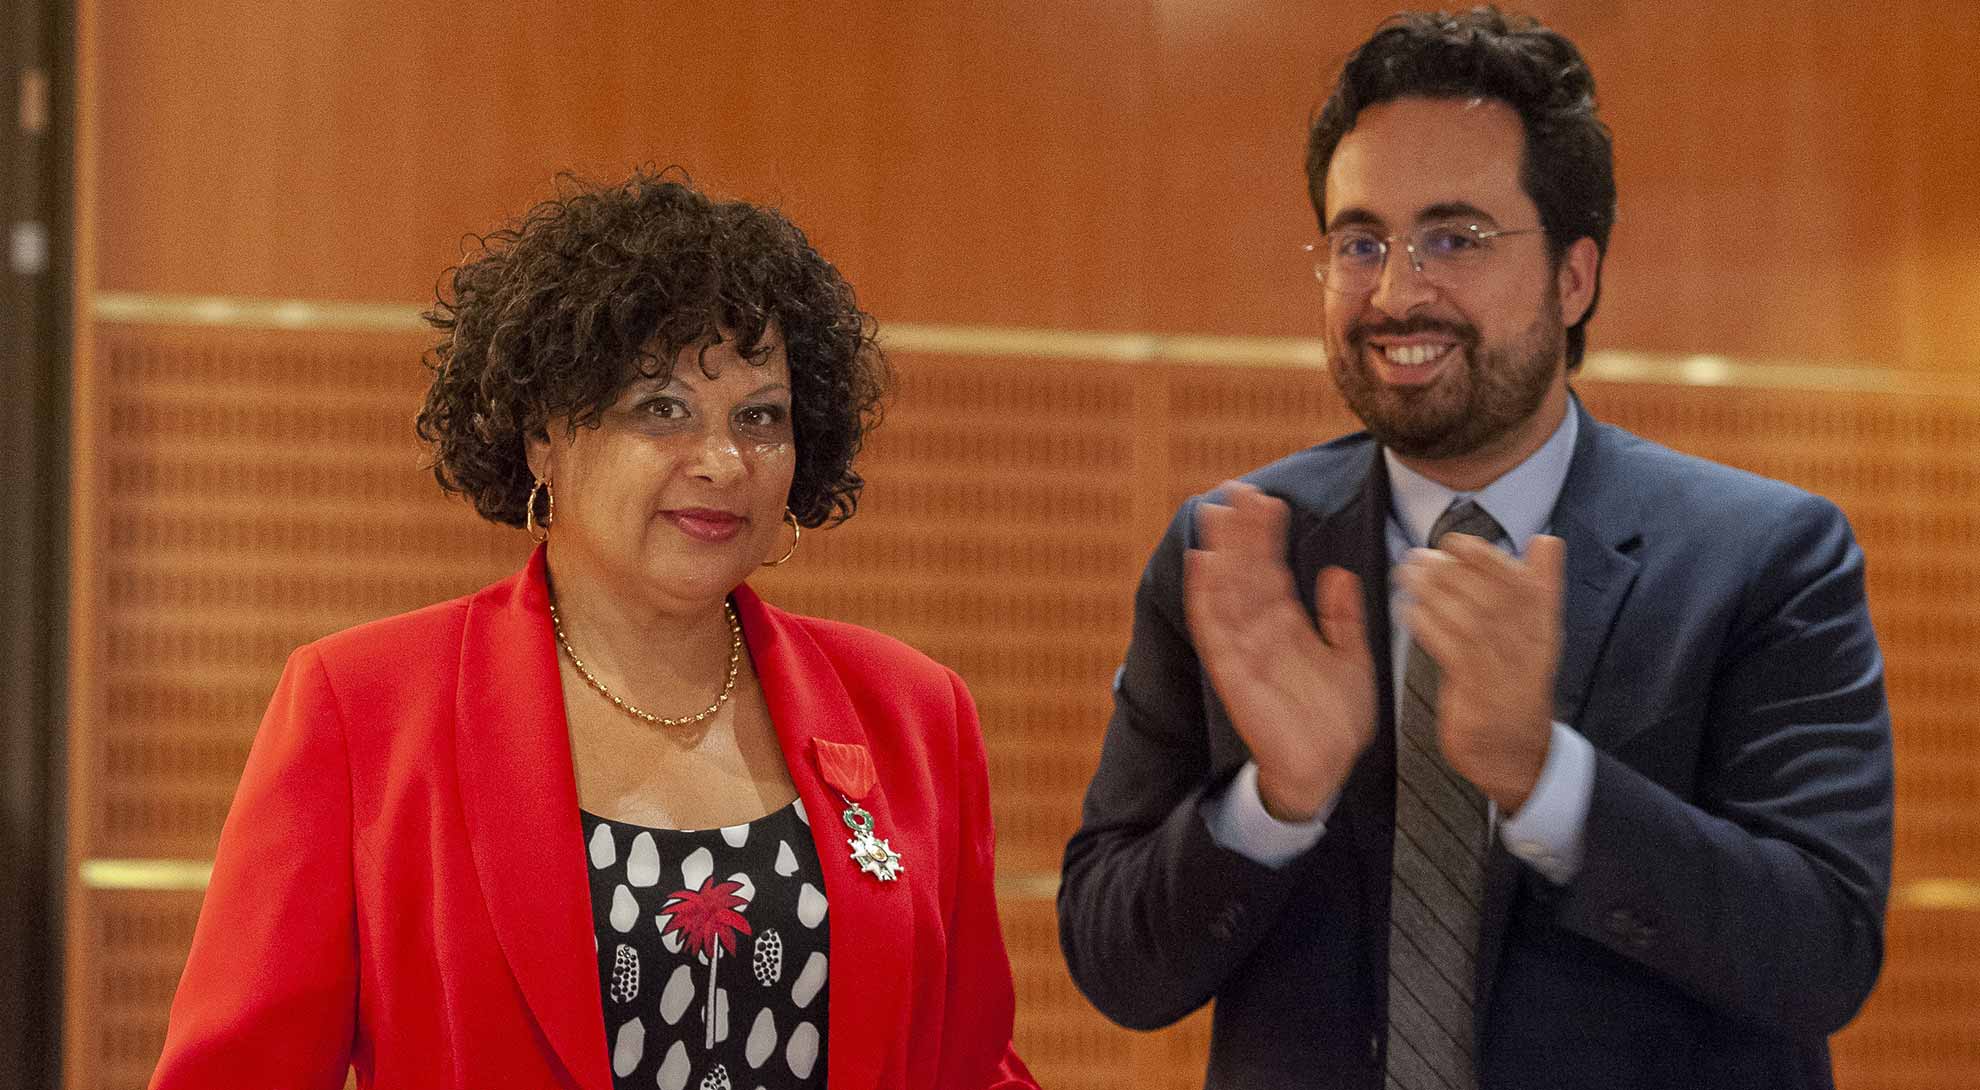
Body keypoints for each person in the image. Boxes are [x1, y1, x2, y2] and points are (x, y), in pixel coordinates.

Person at [1057, 9, 1892, 1089]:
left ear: (1575, 275)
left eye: (1454, 238)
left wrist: (1549, 784)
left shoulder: (1768, 558)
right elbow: (1115, 963)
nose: (1399, 292)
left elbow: (1824, 951)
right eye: (1360, 242)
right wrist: (1273, 802)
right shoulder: (1236, 554)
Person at [150, 171, 1037, 1090]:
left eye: (760, 417)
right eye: (662, 410)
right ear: (545, 437)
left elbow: (970, 1063)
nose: (723, 461)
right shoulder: (361, 709)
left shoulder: (912, 711)